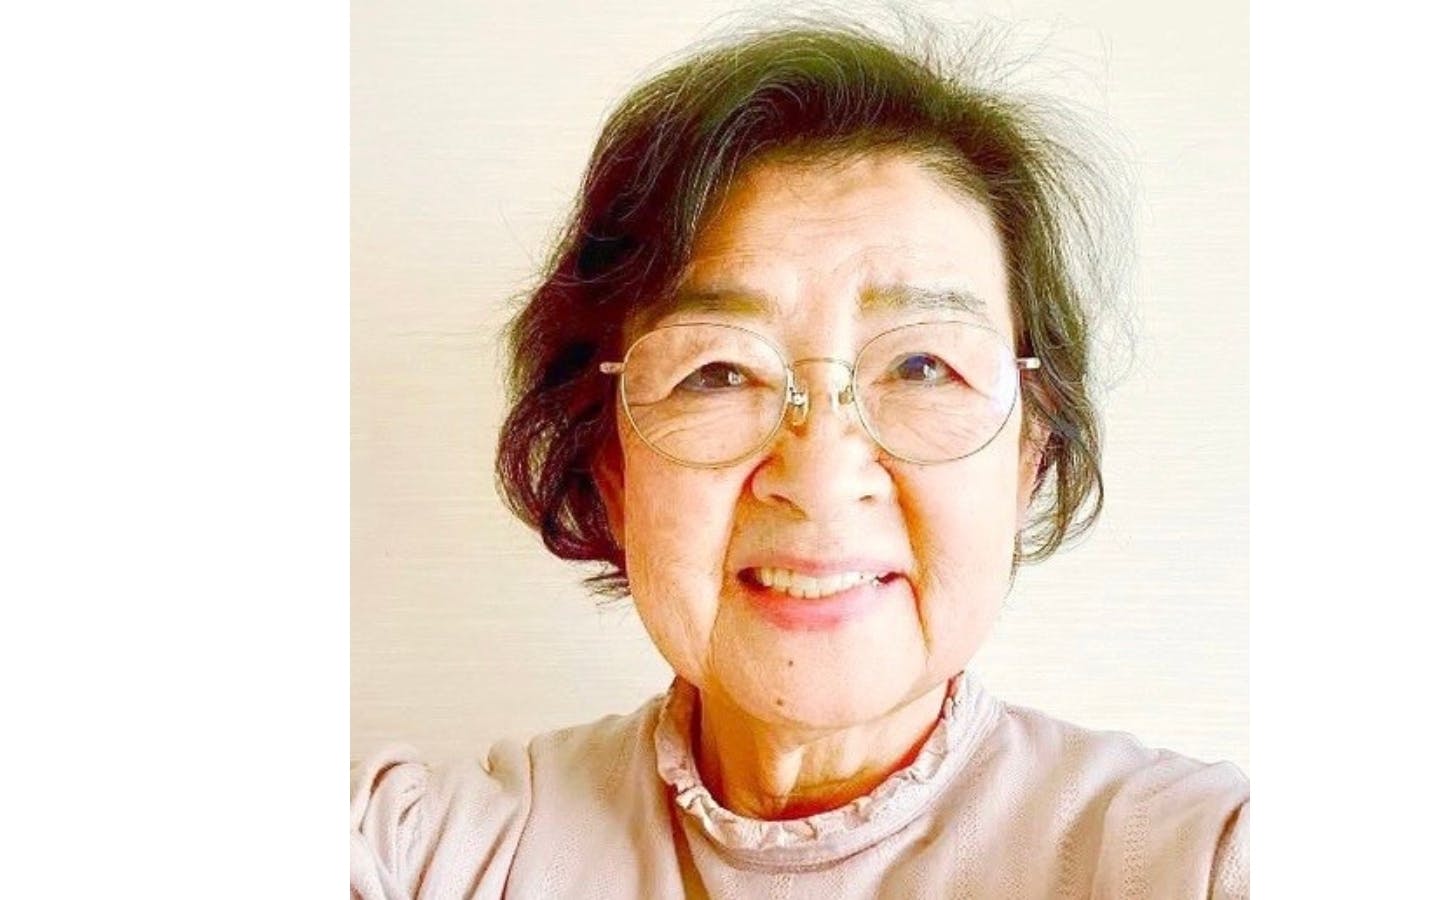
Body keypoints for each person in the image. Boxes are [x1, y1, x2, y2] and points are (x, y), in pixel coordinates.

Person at [351, 19, 1248, 900]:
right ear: (612, 469)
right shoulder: (423, 855)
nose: (820, 479)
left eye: (923, 365)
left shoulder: (1194, 861)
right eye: (717, 371)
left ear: (1027, 456)